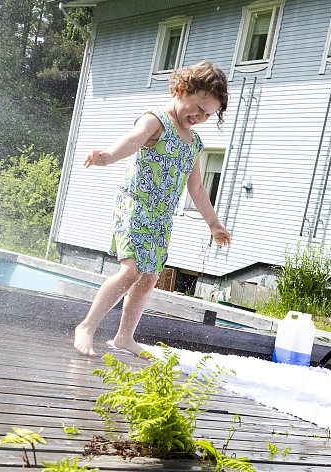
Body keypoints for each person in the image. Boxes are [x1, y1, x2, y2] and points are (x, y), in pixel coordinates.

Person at [74, 60, 232, 358]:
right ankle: (87, 326)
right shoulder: (156, 121)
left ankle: (124, 337)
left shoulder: (194, 143)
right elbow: (132, 141)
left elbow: (196, 188)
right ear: (182, 89)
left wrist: (213, 223)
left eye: (208, 115)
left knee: (149, 277)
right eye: (198, 108)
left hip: (161, 218)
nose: (200, 117)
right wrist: (107, 156)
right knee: (131, 271)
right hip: (135, 206)